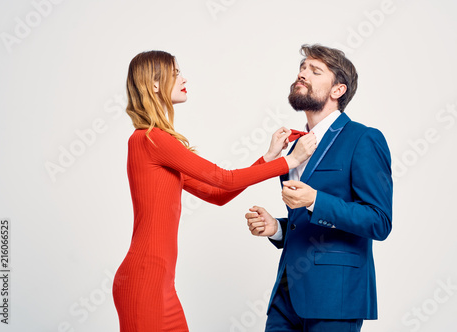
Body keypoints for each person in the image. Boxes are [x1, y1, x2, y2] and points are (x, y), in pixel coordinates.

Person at [112, 50, 317, 332]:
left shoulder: (160, 144)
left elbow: (218, 194)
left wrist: (268, 158)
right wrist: (289, 161)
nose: (184, 78)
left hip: (160, 283)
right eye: (175, 73)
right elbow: (224, 179)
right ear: (155, 84)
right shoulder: (150, 140)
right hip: (144, 280)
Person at [245, 44, 393, 332]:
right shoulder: (294, 147)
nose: (303, 74)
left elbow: (379, 221)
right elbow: (306, 225)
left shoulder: (364, 139)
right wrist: (275, 227)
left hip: (335, 299)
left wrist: (315, 200)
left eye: (315, 71)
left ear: (338, 90)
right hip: (285, 299)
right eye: (302, 68)